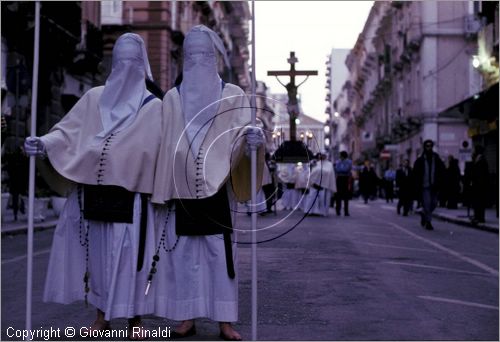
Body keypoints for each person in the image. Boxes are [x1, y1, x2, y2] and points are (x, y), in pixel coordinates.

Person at [24, 33, 163, 339]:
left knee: (131, 261)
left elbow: (168, 150)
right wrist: (43, 143)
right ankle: (101, 315)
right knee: (98, 261)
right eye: (120, 61)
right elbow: (66, 132)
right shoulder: (93, 98)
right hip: (93, 194)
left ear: (141, 65)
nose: (126, 67)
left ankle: (134, 319)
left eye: (132, 61)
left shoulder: (155, 108)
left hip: (131, 198)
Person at [150, 25, 265, 341]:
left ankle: (224, 320)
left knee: (220, 257)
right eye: (192, 55)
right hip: (182, 188)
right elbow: (158, 139)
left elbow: (242, 130)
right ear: (184, 59)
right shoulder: (172, 98)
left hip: (219, 189)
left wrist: (253, 138)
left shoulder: (234, 95)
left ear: (213, 58)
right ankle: (186, 316)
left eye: (204, 54)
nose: (198, 59)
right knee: (183, 256)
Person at [412, 140, 445, 230]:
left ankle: (423, 213)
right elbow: (415, 173)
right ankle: (428, 222)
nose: (429, 148)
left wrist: (441, 182)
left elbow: (442, 171)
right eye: (427, 146)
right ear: (424, 147)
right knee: (427, 203)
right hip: (425, 186)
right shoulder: (420, 160)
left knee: (434, 203)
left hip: (434, 185)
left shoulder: (436, 158)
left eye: (430, 146)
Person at [304, 152, 336, 216]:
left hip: (324, 186)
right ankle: (309, 211)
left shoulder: (329, 165)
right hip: (314, 185)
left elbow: (331, 175)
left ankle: (321, 212)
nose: (322, 157)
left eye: (323, 155)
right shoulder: (316, 164)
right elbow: (311, 174)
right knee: (311, 198)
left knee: (322, 200)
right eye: (321, 155)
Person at [469, 146, 489, 224]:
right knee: (477, 202)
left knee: (479, 202)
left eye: (474, 150)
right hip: (478, 185)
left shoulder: (481, 161)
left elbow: (480, 175)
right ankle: (477, 216)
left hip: (480, 186)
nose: (473, 152)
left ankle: (480, 217)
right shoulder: (477, 160)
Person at [334, 151, 352, 216]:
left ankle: (346, 211)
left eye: (340, 155)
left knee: (346, 196)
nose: (339, 157)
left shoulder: (349, 162)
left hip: (346, 179)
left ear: (342, 156)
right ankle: (338, 210)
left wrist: (341, 169)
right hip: (339, 179)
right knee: (338, 195)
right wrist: (342, 169)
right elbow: (336, 169)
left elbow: (346, 169)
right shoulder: (338, 161)